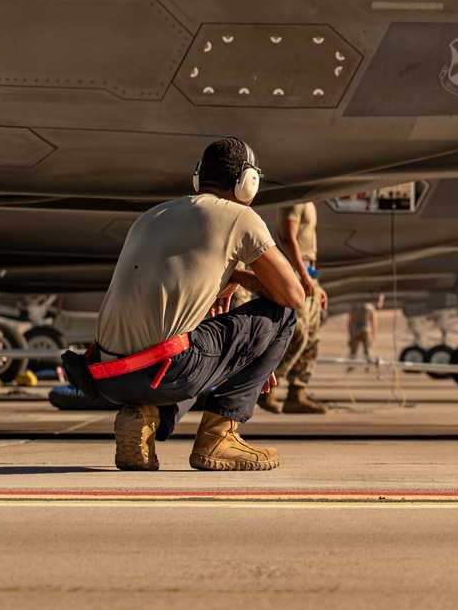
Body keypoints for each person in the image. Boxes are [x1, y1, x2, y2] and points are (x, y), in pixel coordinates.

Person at [63, 137, 309, 472]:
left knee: (189, 341)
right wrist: (245, 279)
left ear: (198, 177)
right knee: (283, 315)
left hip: (110, 377)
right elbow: (293, 295)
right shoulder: (240, 217)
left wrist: (228, 278)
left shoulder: (152, 215)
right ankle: (220, 436)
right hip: (164, 373)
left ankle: (144, 419)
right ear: (247, 181)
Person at [260, 201, 328, 415]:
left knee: (312, 336)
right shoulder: (294, 200)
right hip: (296, 272)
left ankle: (297, 392)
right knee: (298, 334)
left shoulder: (310, 200)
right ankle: (269, 387)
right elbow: (290, 238)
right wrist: (303, 275)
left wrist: (315, 283)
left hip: (308, 270)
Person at [348, 294, 380, 362]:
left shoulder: (355, 307)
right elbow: (373, 322)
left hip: (356, 330)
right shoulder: (370, 307)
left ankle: (351, 364)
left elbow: (350, 321)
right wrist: (374, 334)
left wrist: (350, 333)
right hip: (366, 330)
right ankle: (367, 366)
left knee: (354, 350)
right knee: (367, 350)